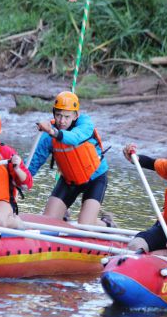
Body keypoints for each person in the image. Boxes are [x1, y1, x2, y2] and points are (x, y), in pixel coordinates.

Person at [27, 91, 114, 227]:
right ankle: (63, 218)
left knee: (85, 225)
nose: (62, 121)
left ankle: (106, 223)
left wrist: (52, 131)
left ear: (75, 115)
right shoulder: (47, 137)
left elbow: (74, 138)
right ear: (54, 114)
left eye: (67, 117)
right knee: (48, 221)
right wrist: (19, 179)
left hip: (95, 178)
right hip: (69, 180)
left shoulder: (85, 124)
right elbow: (33, 163)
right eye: (58, 115)